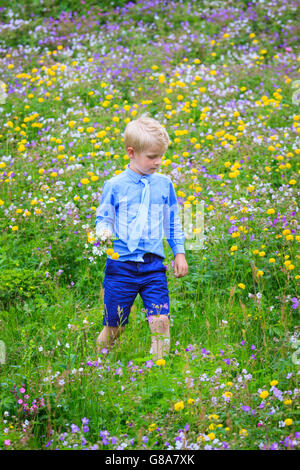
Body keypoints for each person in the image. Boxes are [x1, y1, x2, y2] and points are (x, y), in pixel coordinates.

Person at [95, 114, 188, 359]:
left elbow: (172, 221)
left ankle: (158, 368)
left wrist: (179, 252)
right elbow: (104, 217)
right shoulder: (114, 185)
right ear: (131, 152)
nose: (158, 162)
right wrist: (103, 232)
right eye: (152, 157)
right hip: (121, 265)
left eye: (161, 156)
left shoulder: (164, 184)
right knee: (115, 326)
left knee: (161, 321)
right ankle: (97, 363)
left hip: (153, 265)